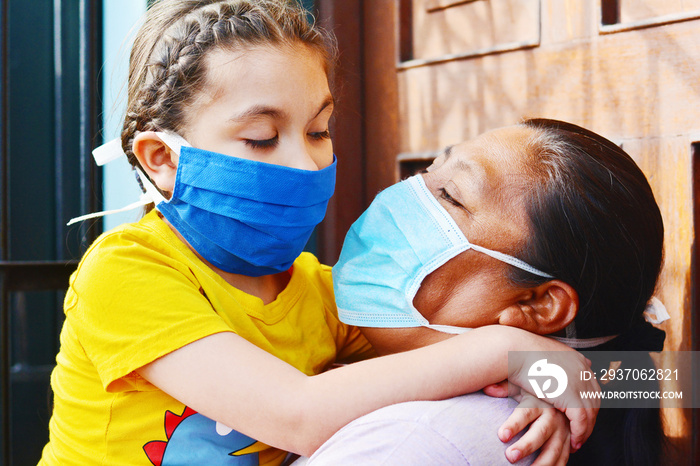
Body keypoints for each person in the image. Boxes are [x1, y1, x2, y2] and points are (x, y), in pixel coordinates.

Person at [39, 2, 596, 465]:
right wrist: (506, 351)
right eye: (261, 137)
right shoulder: (125, 271)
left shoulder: (322, 293)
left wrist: (537, 381)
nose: (306, 164)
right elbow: (296, 414)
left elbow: (654, 385)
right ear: (162, 158)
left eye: (318, 130)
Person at [305, 118, 666, 465]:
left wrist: (502, 353)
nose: (405, 195)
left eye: (450, 196)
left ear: (538, 304)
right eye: (429, 171)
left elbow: (296, 411)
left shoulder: (411, 442)